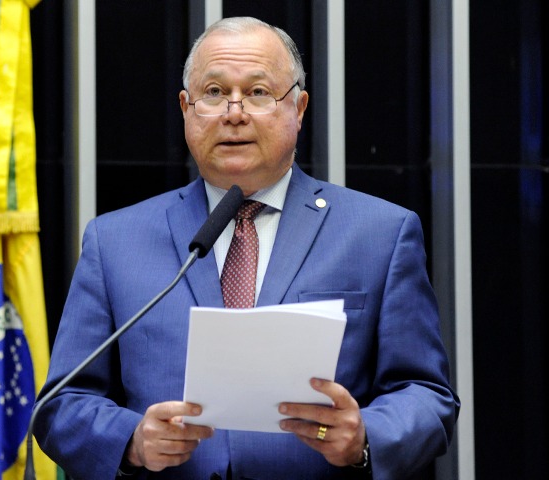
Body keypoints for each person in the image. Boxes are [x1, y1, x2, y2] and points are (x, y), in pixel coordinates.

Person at [34, 16, 460, 480]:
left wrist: (366, 437)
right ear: (186, 108)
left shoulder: (380, 233)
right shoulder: (116, 241)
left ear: (299, 108)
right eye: (214, 92)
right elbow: (62, 404)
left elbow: (426, 395)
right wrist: (131, 441)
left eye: (258, 92)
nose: (233, 113)